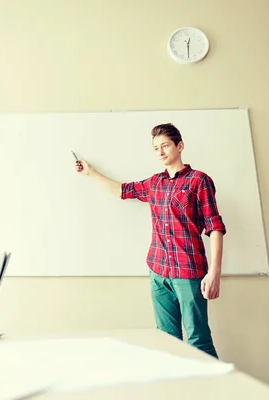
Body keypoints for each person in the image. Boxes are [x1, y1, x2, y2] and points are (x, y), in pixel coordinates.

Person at [75, 123, 226, 358]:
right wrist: (90, 172)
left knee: (198, 340)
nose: (161, 152)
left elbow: (214, 226)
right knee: (166, 339)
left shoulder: (199, 181)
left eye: (165, 145)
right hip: (158, 271)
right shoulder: (155, 183)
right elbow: (123, 191)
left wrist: (215, 272)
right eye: (156, 148)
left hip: (188, 272)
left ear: (180, 146)